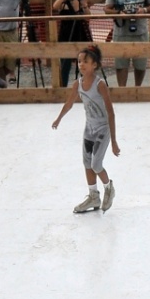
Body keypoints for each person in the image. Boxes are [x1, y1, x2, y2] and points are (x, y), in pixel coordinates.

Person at [52, 45, 120, 215]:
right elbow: (69, 104)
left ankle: (109, 188)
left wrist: (114, 141)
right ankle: (93, 196)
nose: (81, 64)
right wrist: (59, 119)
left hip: (102, 129)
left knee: (96, 164)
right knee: (87, 163)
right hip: (89, 129)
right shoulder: (78, 84)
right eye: (79, 61)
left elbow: (111, 112)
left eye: (85, 61)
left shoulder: (100, 84)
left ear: (94, 65)